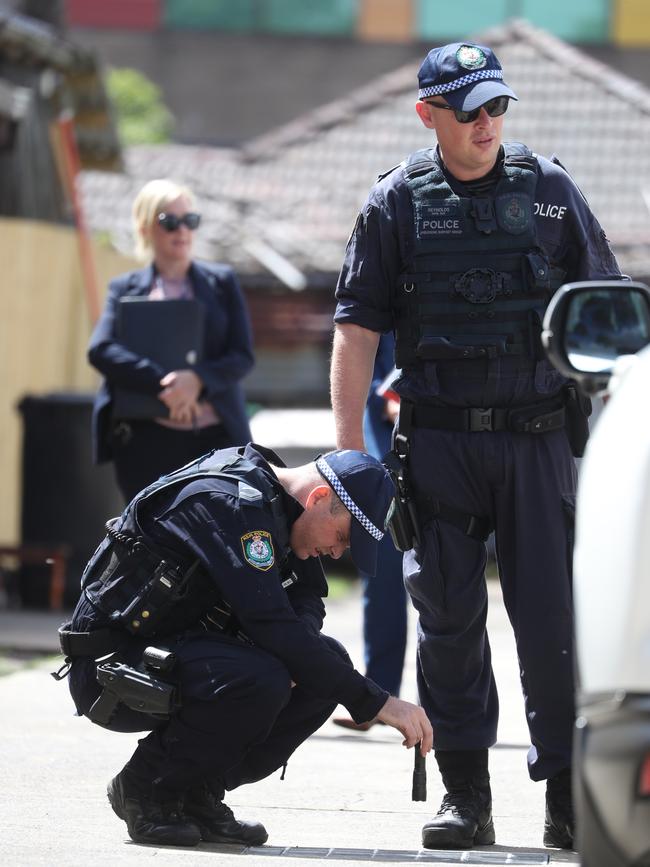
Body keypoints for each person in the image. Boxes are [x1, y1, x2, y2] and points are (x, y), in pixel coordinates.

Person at [330, 41, 623, 851]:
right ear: (429, 115)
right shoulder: (394, 204)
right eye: (470, 110)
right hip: (439, 447)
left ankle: (567, 794)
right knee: (449, 625)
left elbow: (608, 307)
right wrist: (346, 452)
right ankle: (467, 795)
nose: (488, 122)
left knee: (553, 624)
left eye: (497, 106)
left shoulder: (552, 192)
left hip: (537, 441)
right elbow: (356, 330)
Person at [56, 444, 433, 848]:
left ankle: (196, 792)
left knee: (321, 665)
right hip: (111, 668)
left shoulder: (279, 507)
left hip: (173, 655)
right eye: (342, 537)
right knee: (263, 677)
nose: (338, 552)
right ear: (320, 498)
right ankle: (146, 787)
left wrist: (299, 654)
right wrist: (376, 702)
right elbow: (269, 621)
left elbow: (305, 600)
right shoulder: (232, 506)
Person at [88, 178, 255, 502]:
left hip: (214, 439)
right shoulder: (124, 288)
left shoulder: (222, 282)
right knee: (149, 540)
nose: (182, 230)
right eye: (170, 221)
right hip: (144, 441)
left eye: (189, 220)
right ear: (145, 227)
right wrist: (165, 385)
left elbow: (242, 355)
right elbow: (101, 349)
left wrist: (197, 380)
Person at [333, 332, 408, 730]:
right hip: (385, 451)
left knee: (452, 586)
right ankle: (378, 697)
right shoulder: (378, 299)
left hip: (454, 443)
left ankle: (451, 711)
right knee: (381, 578)